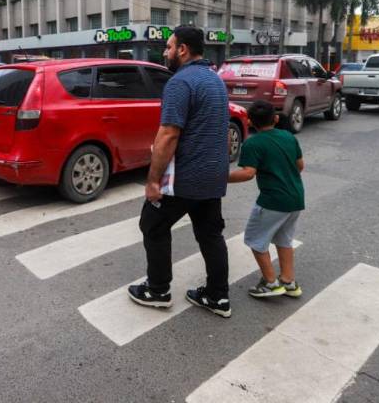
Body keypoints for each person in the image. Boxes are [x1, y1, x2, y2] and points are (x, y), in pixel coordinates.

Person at [128, 26, 232, 317]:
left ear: (182, 49)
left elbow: (168, 135)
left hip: (185, 178)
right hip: (212, 177)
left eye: (169, 46)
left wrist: (152, 181)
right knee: (211, 235)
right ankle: (218, 296)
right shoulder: (215, 80)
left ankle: (157, 290)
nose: (165, 51)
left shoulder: (180, 82)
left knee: (153, 224)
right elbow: (222, 130)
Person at [228, 99, 304, 299]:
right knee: (284, 239)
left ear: (250, 122)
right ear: (276, 118)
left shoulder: (253, 142)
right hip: (296, 198)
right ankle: (288, 281)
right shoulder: (289, 137)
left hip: (272, 201)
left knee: (255, 239)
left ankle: (271, 283)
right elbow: (300, 165)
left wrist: (220, 178)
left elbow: (247, 173)